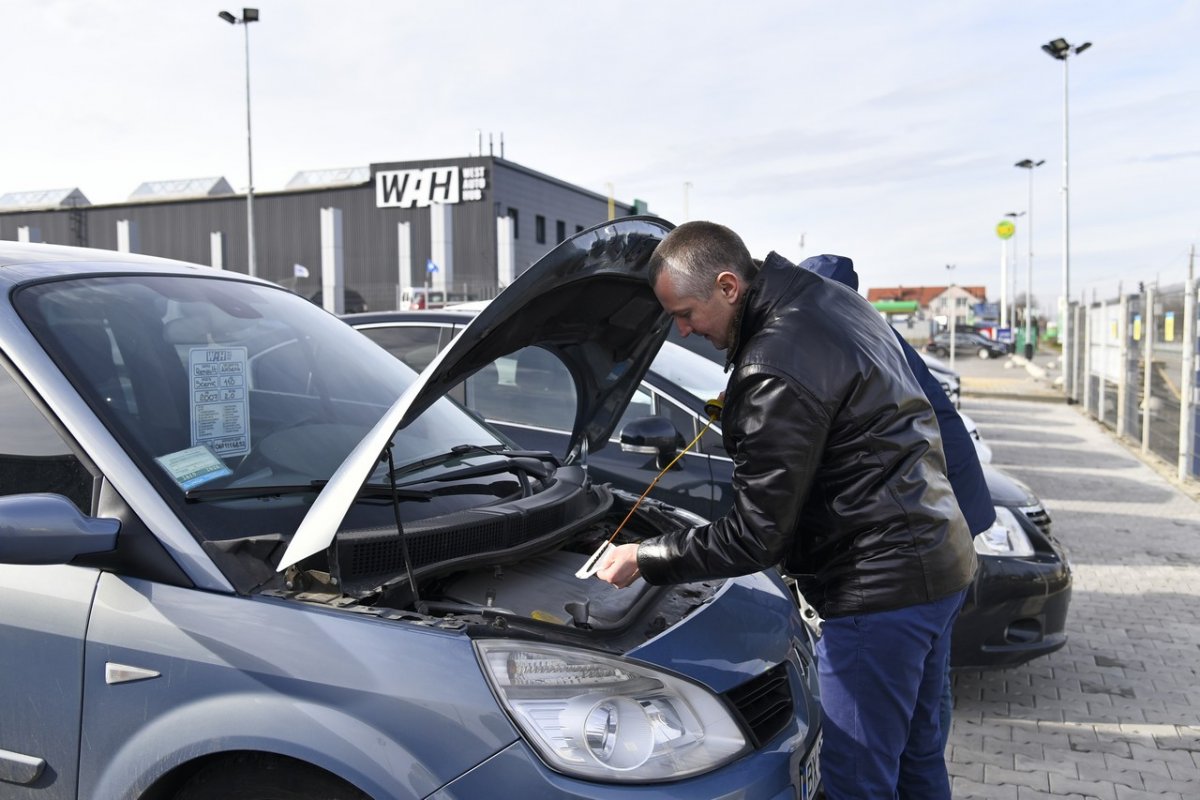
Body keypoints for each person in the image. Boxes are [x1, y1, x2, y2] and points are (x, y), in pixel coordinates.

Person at [596, 221, 978, 800]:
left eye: (686, 314)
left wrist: (645, 556)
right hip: (940, 558)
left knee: (857, 781)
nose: (683, 330)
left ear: (728, 286)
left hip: (878, 591)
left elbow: (755, 536)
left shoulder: (773, 363)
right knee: (916, 757)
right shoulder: (832, 301)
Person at [799, 254, 996, 753]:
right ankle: (923, 755)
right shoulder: (872, 335)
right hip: (950, 512)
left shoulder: (848, 344)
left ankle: (920, 749)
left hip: (940, 514)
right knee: (930, 669)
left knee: (927, 677)